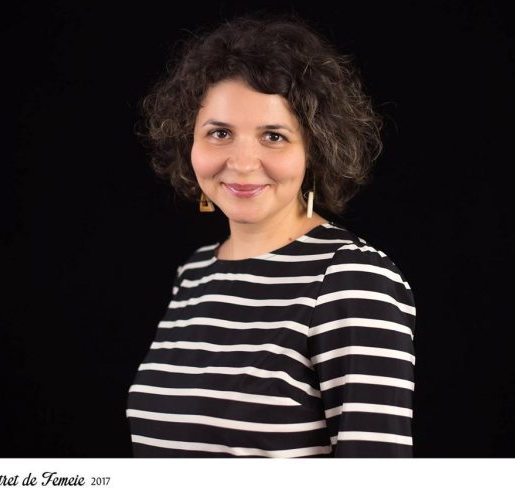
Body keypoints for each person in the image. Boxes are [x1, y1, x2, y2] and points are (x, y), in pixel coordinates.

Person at [126, 11, 416, 458]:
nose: (242, 163)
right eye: (219, 132)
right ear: (189, 141)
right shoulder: (194, 274)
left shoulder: (353, 281)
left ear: (314, 148)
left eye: (274, 137)